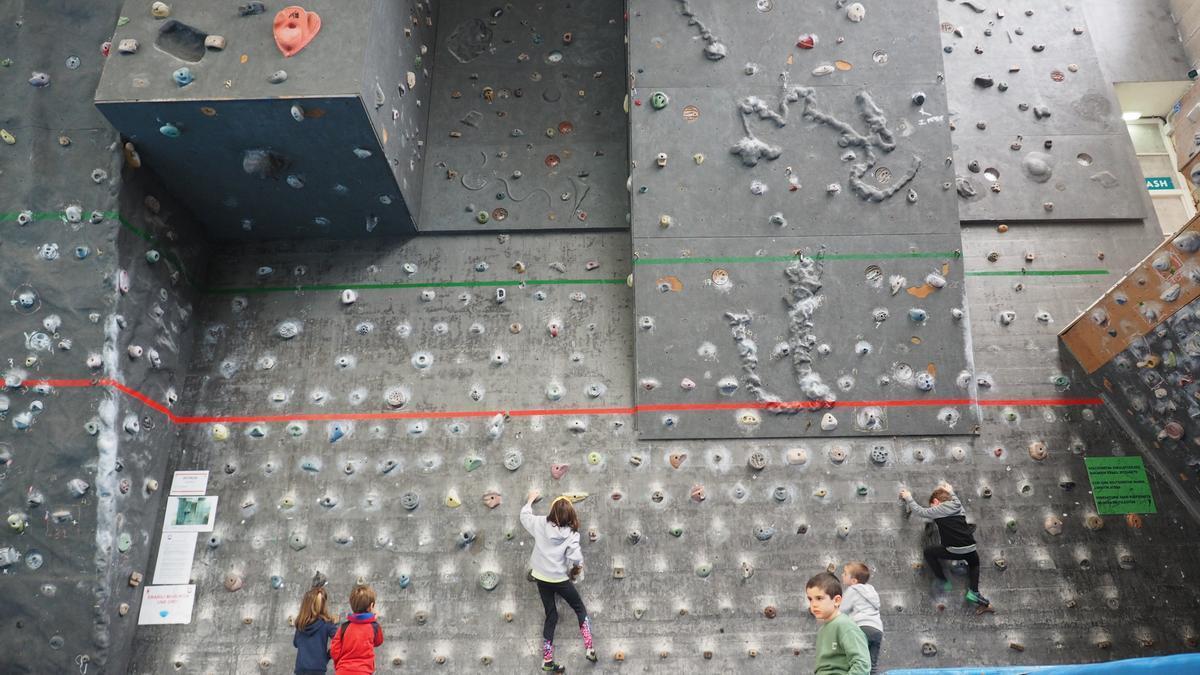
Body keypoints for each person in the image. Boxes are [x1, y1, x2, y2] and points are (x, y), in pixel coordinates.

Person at [521, 490, 596, 672]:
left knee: (551, 616)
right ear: (570, 515)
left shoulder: (539, 523)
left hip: (541, 577)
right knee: (579, 609)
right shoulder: (571, 534)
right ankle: (589, 648)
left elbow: (524, 516)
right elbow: (576, 557)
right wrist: (576, 569)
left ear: (552, 511)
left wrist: (531, 498)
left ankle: (547, 659)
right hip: (559, 579)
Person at [900, 481, 991, 608]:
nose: (932, 510)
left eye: (932, 506)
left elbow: (920, 511)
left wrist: (908, 497)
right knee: (974, 563)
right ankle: (973, 591)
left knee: (928, 552)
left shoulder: (938, 509)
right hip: (970, 548)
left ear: (936, 502)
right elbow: (954, 499)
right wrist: (950, 490)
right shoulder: (958, 505)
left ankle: (942, 579)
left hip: (953, 550)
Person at [806, 572, 871, 675]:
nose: (813, 604)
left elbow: (862, 664)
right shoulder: (822, 630)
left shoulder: (845, 626)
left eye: (819, 598)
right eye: (810, 599)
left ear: (836, 600)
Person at [330, 585, 384, 675]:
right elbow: (378, 641)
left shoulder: (344, 627)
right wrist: (374, 620)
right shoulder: (373, 626)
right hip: (363, 671)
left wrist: (341, 665)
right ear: (371, 606)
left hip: (343, 671)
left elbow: (334, 651)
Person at [840, 562, 883, 674]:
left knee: (856, 661)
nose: (842, 575)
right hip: (877, 629)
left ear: (854, 581)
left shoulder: (853, 590)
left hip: (861, 628)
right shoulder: (871, 590)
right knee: (872, 665)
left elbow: (842, 610)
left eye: (845, 573)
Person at [293, 585, 338, 675]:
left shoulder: (300, 624)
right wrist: (328, 655)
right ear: (323, 605)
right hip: (318, 669)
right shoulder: (327, 624)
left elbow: (296, 643)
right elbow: (340, 640)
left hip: (300, 669)